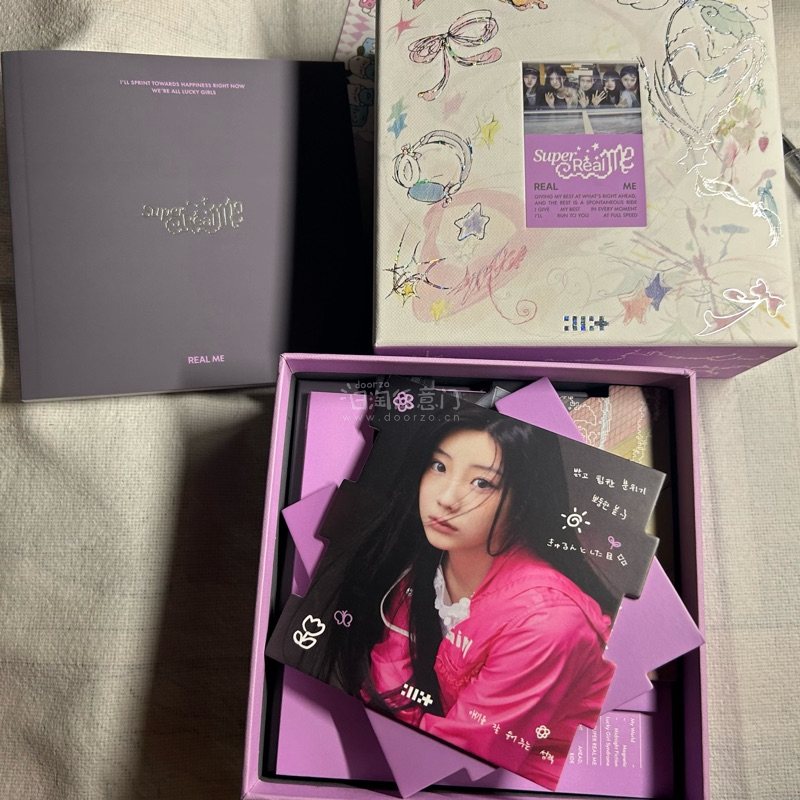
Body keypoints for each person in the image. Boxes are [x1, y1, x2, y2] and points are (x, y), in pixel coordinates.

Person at [322, 406, 615, 790]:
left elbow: (460, 752)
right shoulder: (431, 566)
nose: (446, 498)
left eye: (482, 483)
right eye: (439, 467)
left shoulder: (549, 621)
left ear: (524, 500)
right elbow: (387, 685)